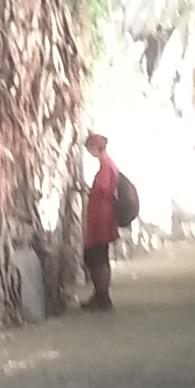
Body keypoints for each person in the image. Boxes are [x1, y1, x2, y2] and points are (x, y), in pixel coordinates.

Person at [82, 129, 125, 310]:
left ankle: (102, 295)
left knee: (97, 256)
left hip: (101, 216)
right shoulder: (107, 165)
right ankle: (100, 294)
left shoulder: (106, 167)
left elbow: (103, 189)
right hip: (100, 216)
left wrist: (89, 191)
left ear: (95, 148)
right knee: (98, 256)